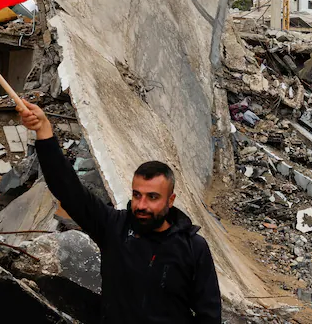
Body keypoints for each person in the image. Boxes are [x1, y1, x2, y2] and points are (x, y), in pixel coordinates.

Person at [20, 101, 222, 323]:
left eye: (152, 197)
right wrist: (44, 131)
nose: (141, 204)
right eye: (137, 195)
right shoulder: (113, 227)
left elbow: (209, 316)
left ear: (170, 200)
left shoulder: (193, 248)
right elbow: (68, 190)